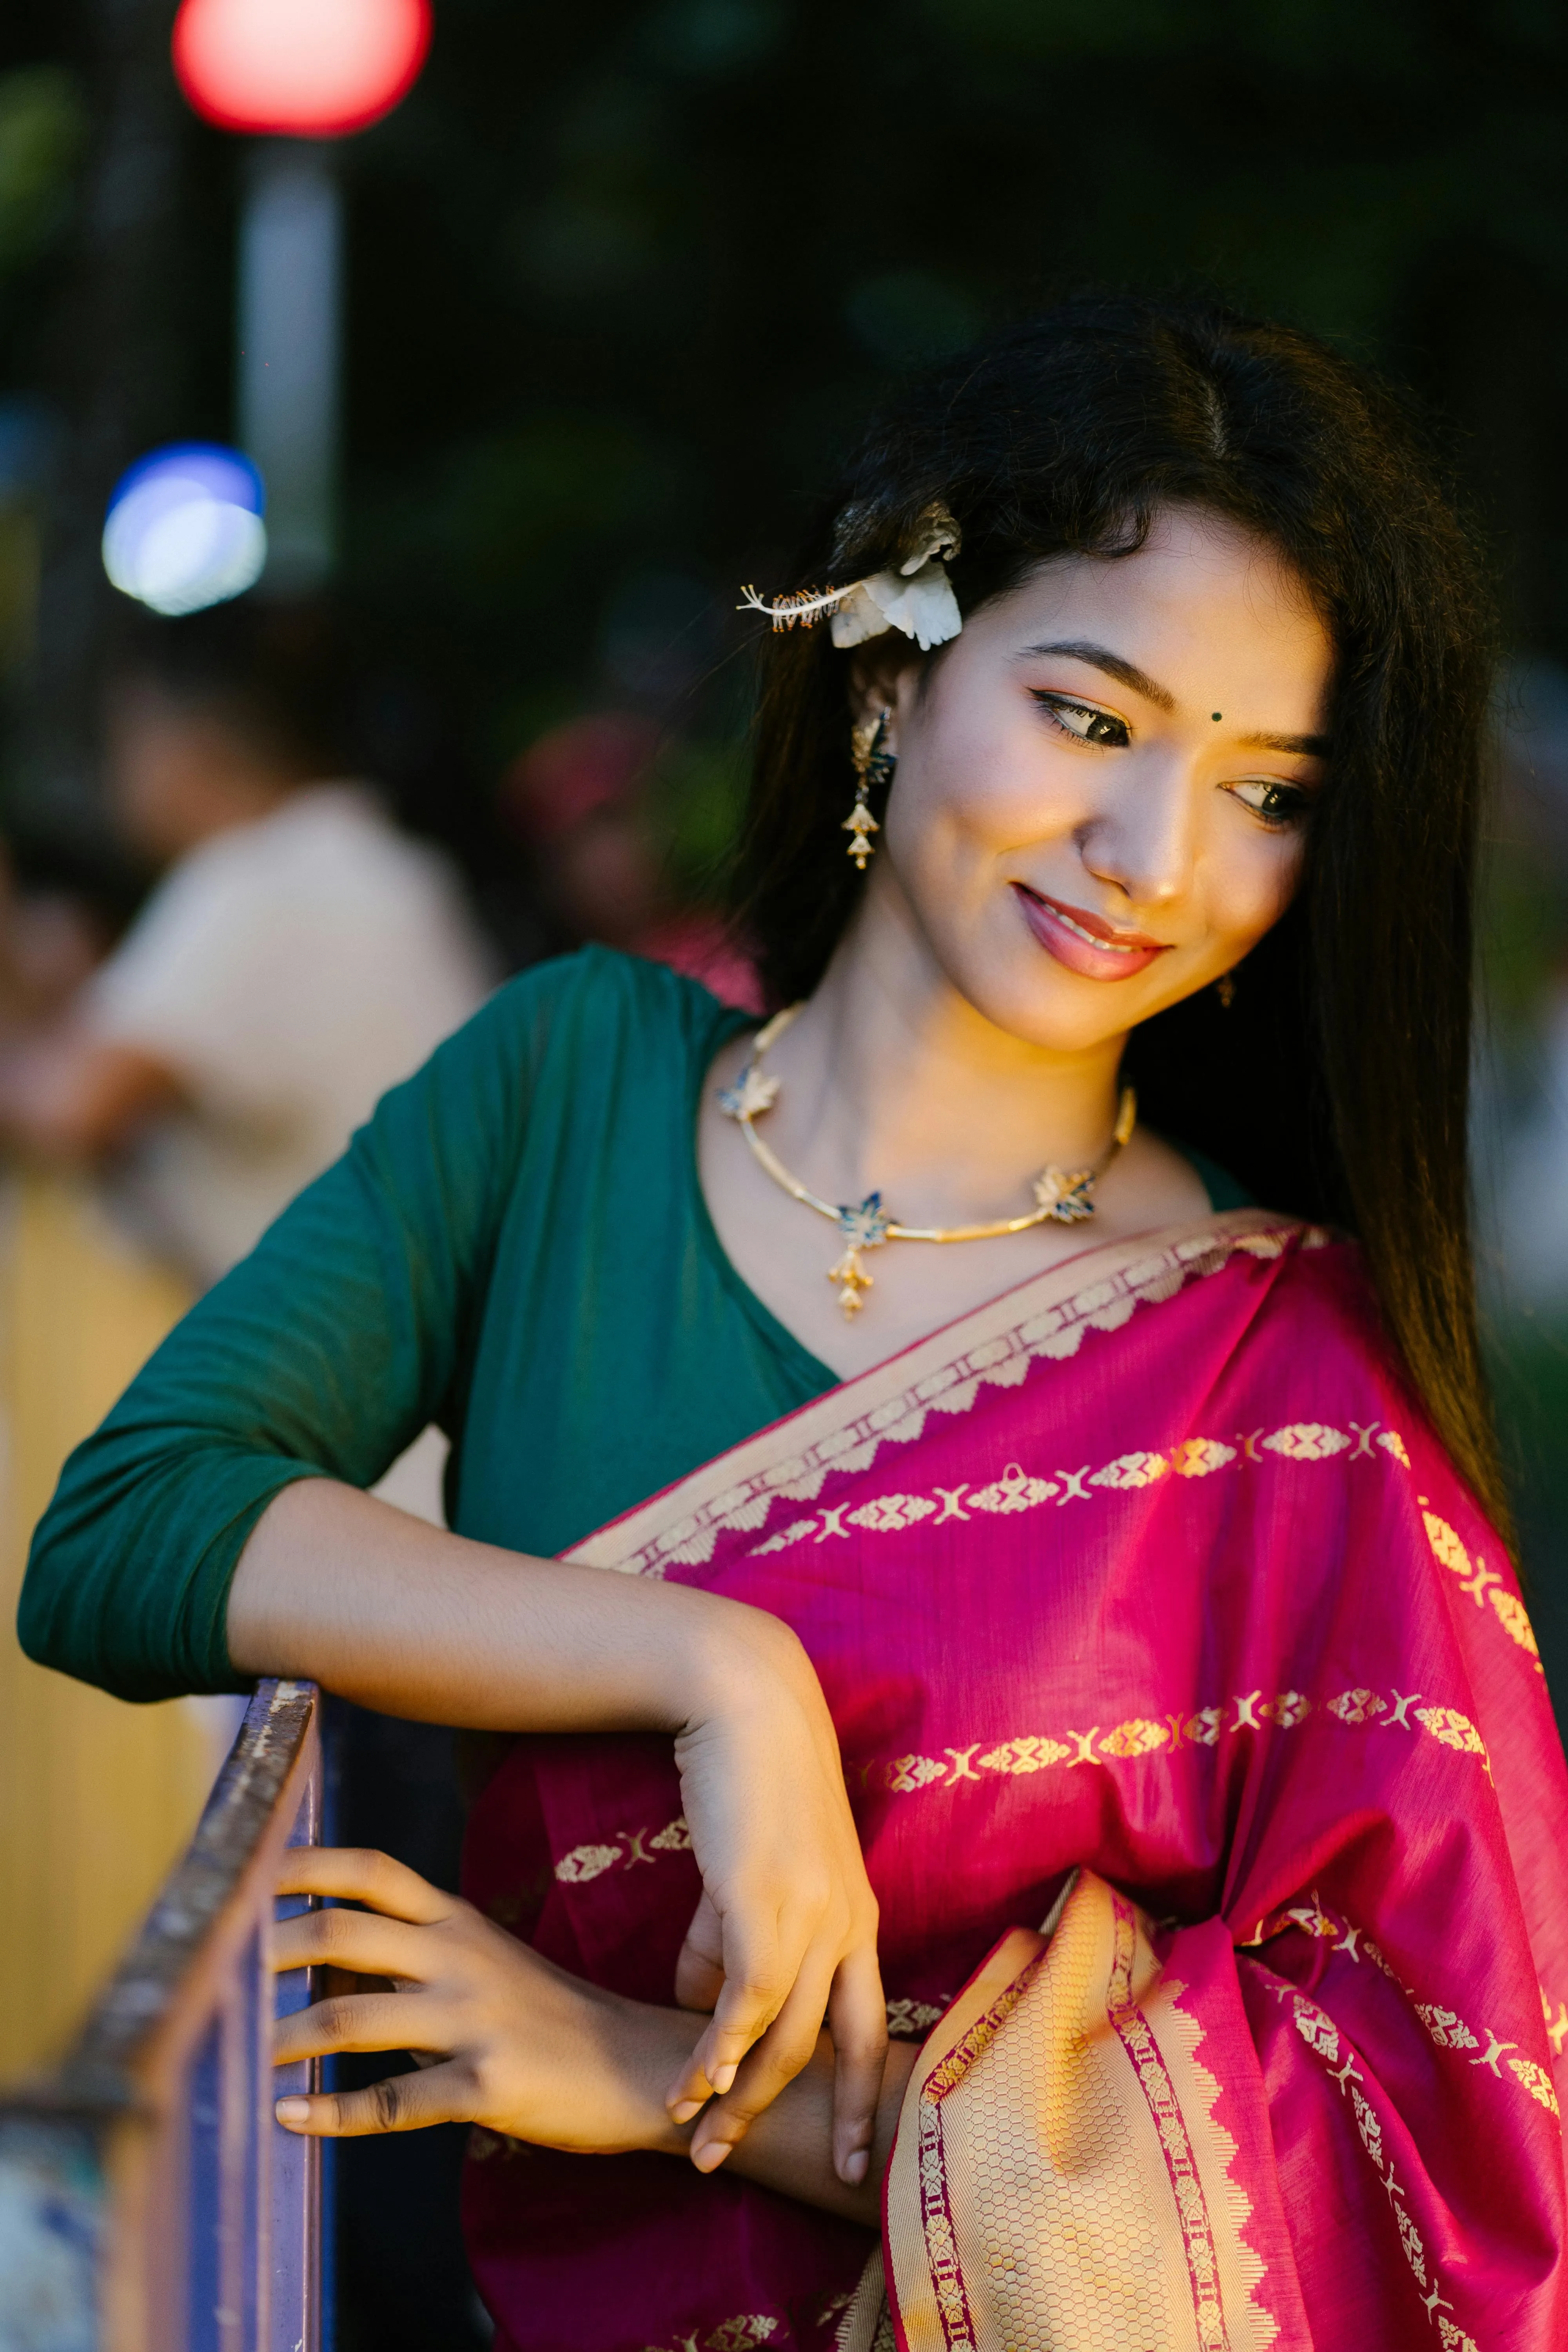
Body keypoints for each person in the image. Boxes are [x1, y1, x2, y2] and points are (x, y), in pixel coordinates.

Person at [20, 297, 1568, 2350]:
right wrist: (711, 1669)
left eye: (1267, 793)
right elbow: (123, 1534)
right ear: (889, 669)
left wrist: (668, 2079)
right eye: (1090, 719)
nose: (1155, 859)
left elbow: (1410, 2162)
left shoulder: (1285, 1377)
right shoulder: (570, 1092)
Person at [0, 601, 495, 1288]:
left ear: (191, 741)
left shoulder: (256, 882)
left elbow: (70, 1110)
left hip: (374, 1338)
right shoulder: (379, 865)